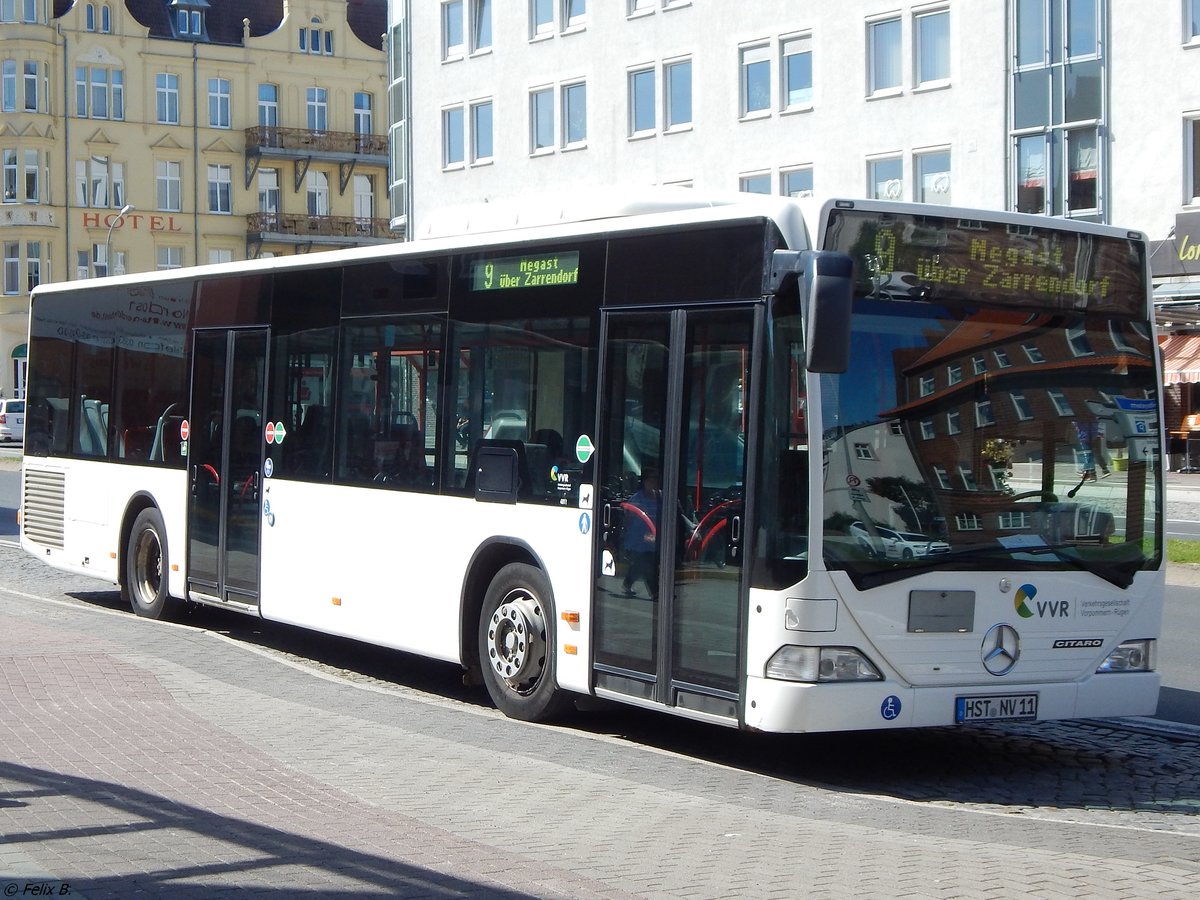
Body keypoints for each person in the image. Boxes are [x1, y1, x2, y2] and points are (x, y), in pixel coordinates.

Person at [621, 468, 661, 599]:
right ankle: (655, 592)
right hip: (638, 539)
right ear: (645, 482)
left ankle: (627, 583)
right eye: (651, 479)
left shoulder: (659, 497)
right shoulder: (637, 498)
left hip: (652, 539)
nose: (653, 482)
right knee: (647, 565)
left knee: (639, 565)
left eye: (655, 479)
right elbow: (628, 517)